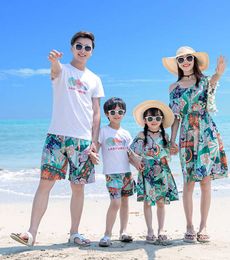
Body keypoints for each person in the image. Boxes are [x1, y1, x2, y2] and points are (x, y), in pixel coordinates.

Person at [10, 31, 104, 246]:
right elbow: (55, 71)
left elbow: (96, 113)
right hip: (56, 137)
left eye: (87, 47)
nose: (83, 50)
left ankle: (74, 233)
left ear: (92, 51)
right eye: (79, 46)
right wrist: (54, 61)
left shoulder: (95, 79)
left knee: (78, 187)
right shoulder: (62, 70)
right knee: (45, 184)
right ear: (72, 48)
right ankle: (31, 233)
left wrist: (94, 142)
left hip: (82, 141)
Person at [162, 46, 228, 243]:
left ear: (194, 60)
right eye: (181, 59)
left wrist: (218, 73)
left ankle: (203, 226)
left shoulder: (204, 81)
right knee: (189, 182)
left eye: (188, 58)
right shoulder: (173, 88)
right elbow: (175, 117)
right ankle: (189, 226)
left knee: (206, 182)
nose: (185, 62)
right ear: (178, 63)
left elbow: (214, 83)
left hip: (207, 132)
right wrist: (171, 141)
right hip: (186, 135)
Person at [89, 97, 139, 247]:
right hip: (112, 174)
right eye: (113, 111)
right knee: (115, 202)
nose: (117, 114)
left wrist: (138, 163)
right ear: (107, 114)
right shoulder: (103, 131)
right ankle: (107, 234)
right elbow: (95, 148)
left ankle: (123, 231)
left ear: (124, 113)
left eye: (120, 111)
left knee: (125, 202)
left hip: (126, 173)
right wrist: (92, 155)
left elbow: (129, 155)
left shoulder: (126, 133)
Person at [130, 100, 179, 244]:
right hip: (146, 172)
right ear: (145, 120)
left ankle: (161, 230)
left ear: (162, 120)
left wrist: (174, 150)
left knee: (161, 202)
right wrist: (137, 163)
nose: (154, 121)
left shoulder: (165, 136)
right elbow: (131, 152)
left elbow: (169, 154)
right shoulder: (141, 135)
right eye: (150, 118)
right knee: (147, 202)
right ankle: (150, 230)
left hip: (162, 172)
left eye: (157, 118)